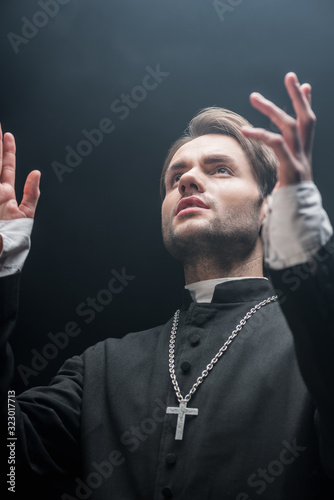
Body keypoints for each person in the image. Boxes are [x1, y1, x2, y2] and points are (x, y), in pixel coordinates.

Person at [1, 72, 334, 500]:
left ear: (268, 206)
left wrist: (301, 219)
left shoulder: (311, 346)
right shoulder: (102, 368)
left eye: (220, 169)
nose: (187, 181)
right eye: (176, 175)